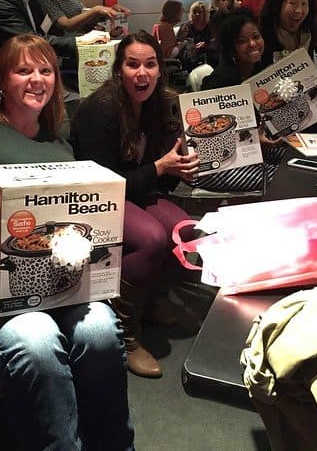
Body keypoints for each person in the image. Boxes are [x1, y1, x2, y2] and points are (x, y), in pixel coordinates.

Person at [0, 34, 135, 451]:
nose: (37, 79)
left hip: (50, 284)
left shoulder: (58, 143)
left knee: (102, 332)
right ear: (1, 80)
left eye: (46, 70)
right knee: (36, 339)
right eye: (24, 69)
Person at [70, 31, 199, 378]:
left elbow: (160, 176)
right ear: (119, 70)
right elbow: (106, 184)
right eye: (132, 65)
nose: (142, 73)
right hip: (94, 199)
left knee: (187, 232)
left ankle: (151, 297)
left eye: (150, 64)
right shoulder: (100, 110)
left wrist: (179, 171)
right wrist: (160, 168)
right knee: (152, 238)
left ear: (160, 70)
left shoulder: (160, 106)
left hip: (135, 190)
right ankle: (125, 331)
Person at [198, 9, 285, 192]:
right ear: (231, 48)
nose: (253, 44)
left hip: (248, 149)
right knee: (283, 177)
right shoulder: (220, 82)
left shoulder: (260, 73)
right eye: (242, 41)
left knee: (292, 157)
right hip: (216, 165)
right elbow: (208, 141)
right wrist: (252, 139)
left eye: (256, 36)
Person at [176, 0, 213, 71]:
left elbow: (215, 42)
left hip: (207, 54)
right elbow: (178, 43)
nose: (197, 14)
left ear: (205, 14)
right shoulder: (186, 26)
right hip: (189, 57)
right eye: (194, 12)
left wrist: (206, 45)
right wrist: (183, 37)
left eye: (200, 12)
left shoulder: (210, 26)